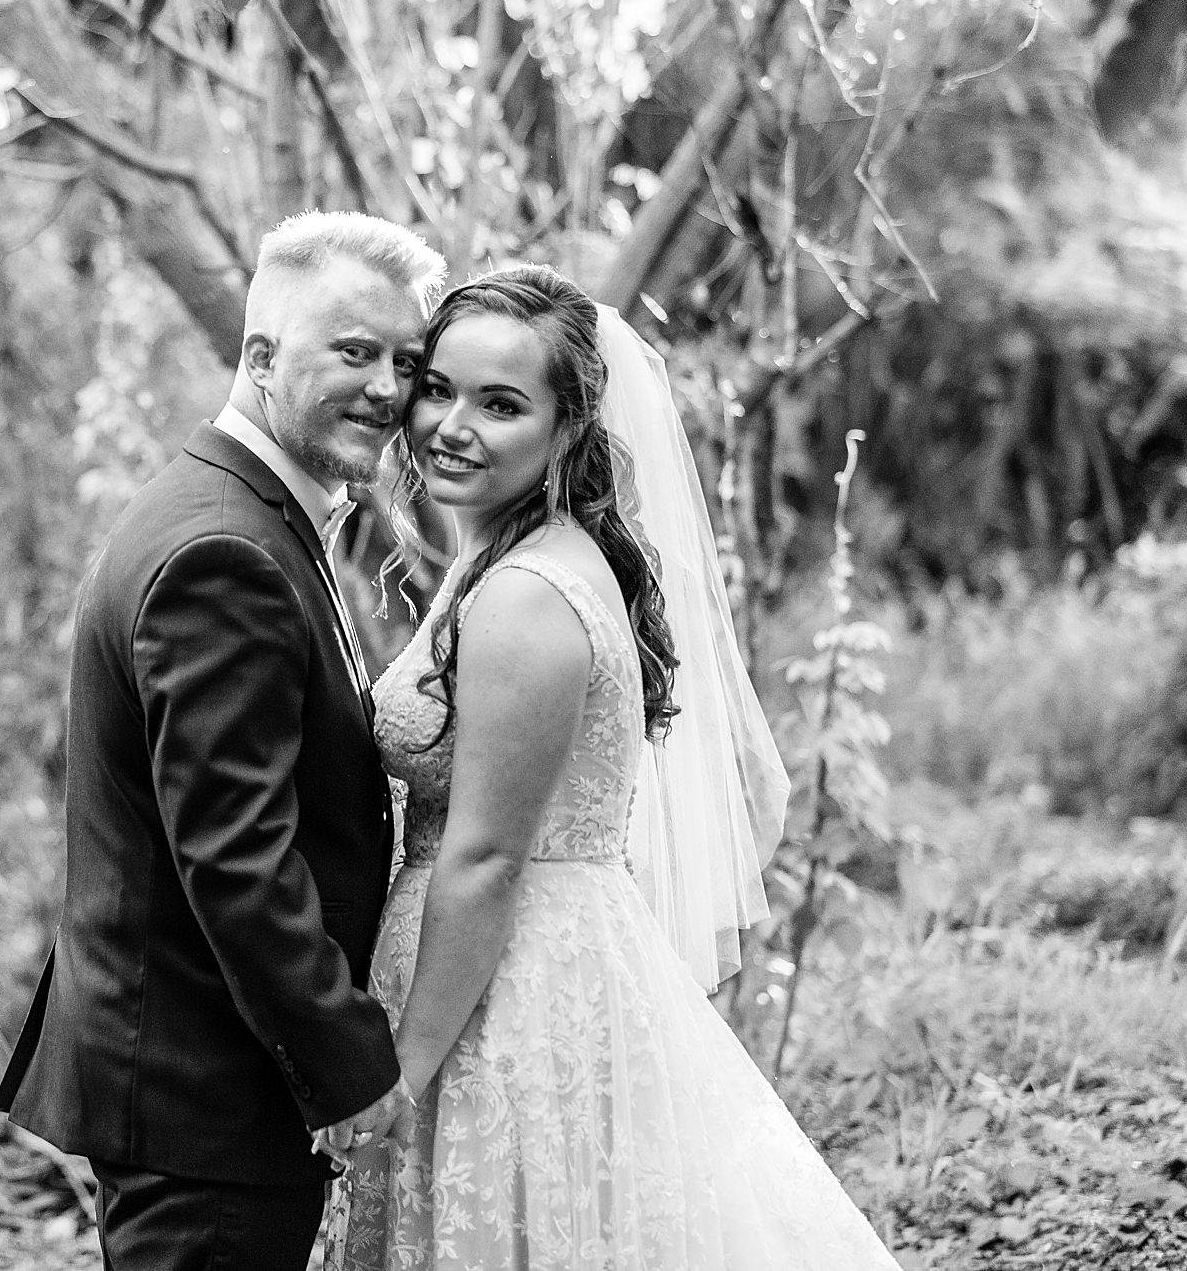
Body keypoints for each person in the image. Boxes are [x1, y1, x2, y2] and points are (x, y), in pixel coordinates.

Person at [323, 265, 904, 1270]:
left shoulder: (526, 596)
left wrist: (401, 1073)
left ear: (567, 429)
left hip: (505, 993)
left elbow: (487, 858)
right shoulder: (514, 554)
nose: (451, 426)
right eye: (438, 389)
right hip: (509, 962)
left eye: (500, 404)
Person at [0, 211, 447, 1271]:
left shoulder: (243, 513)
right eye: (354, 351)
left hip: (199, 1086)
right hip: (205, 1098)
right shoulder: (223, 551)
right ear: (260, 354)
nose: (387, 388)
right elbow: (237, 859)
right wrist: (347, 1064)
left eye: (405, 361)